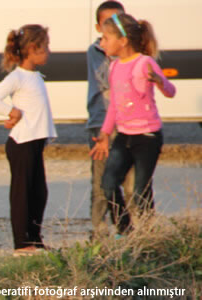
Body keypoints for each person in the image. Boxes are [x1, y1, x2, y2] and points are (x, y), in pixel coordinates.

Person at [89, 13, 175, 235]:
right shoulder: (115, 67)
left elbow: (170, 91)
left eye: (106, 38)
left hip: (147, 137)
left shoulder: (145, 63)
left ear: (123, 41)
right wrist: (105, 135)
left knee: (140, 192)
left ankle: (148, 235)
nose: (102, 43)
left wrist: (159, 81)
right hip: (124, 136)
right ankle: (124, 229)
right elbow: (115, 106)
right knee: (108, 184)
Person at [0, 24, 56, 257]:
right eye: (46, 47)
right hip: (22, 143)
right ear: (33, 49)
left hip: (35, 143)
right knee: (22, 193)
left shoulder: (36, 76)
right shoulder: (18, 77)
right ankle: (21, 242)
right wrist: (11, 111)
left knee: (39, 192)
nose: (49, 51)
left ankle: (35, 238)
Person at [86, 0, 134, 239]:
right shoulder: (95, 51)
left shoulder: (138, 53)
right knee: (102, 180)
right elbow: (107, 80)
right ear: (98, 28)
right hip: (102, 120)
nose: (114, 27)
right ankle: (99, 229)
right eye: (108, 23)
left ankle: (133, 229)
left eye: (119, 21)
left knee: (132, 181)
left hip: (131, 122)